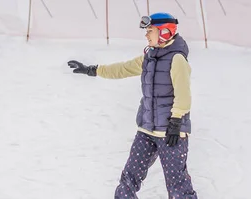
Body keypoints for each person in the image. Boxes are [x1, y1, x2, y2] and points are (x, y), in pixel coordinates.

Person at [67, 12, 197, 199]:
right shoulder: (149, 58)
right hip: (146, 131)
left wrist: (176, 122)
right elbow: (123, 68)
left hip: (171, 134)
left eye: (150, 31)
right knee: (128, 179)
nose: (146, 35)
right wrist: (92, 70)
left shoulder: (177, 59)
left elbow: (183, 95)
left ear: (164, 32)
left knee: (178, 187)